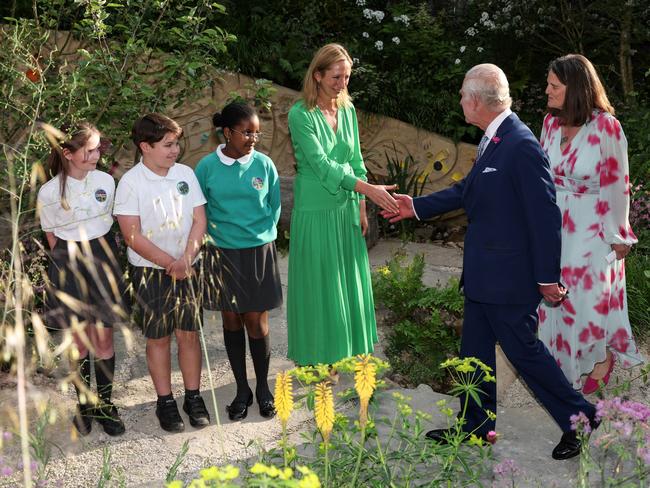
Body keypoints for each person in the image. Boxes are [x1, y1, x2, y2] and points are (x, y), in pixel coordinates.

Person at [383, 64, 598, 460]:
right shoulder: (494, 138)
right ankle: (476, 427)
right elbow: (469, 190)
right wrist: (415, 206)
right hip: (484, 276)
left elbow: (546, 215)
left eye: (463, 95)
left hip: (509, 279)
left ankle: (580, 417)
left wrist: (548, 277)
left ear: (478, 100)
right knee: (475, 353)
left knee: (524, 353)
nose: (461, 102)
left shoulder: (521, 144)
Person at [286, 43, 399, 366]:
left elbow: (356, 160)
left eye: (347, 77)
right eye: (336, 77)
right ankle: (317, 356)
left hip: (346, 207)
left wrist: (361, 205)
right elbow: (323, 167)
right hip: (316, 209)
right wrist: (368, 189)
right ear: (318, 75)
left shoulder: (347, 110)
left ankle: (346, 352)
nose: (342, 84)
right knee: (319, 284)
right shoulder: (300, 115)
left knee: (346, 280)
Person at [538, 54, 644, 393]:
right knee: (552, 298)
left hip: (591, 228)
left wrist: (619, 234)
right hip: (554, 225)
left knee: (582, 302)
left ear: (576, 89)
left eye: (554, 86)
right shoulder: (550, 124)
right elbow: (541, 176)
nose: (547, 91)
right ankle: (560, 369)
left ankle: (597, 358)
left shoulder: (606, 127)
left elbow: (618, 183)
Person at [114, 113, 210, 432]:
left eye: (176, 143)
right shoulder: (131, 183)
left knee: (189, 334)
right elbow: (132, 235)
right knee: (159, 338)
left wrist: (186, 258)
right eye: (168, 145)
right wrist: (171, 262)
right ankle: (165, 401)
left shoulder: (185, 174)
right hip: (151, 272)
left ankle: (193, 397)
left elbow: (199, 220)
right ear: (145, 146)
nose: (175, 150)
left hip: (188, 266)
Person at [37, 121, 127, 436]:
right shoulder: (49, 191)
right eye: (89, 150)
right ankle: (85, 404)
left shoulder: (106, 180)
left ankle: (105, 404)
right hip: (68, 263)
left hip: (102, 258)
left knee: (102, 338)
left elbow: (114, 220)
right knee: (79, 342)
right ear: (68, 153)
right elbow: (51, 235)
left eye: (98, 148)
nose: (96, 155)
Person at [195, 102, 281, 421]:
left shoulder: (265, 165)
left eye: (257, 133)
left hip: (258, 252)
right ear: (227, 132)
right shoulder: (205, 167)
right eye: (247, 132)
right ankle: (241, 389)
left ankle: (263, 389)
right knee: (231, 319)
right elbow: (199, 211)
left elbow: (273, 206)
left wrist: (260, 237)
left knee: (256, 322)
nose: (253, 139)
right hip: (222, 254)